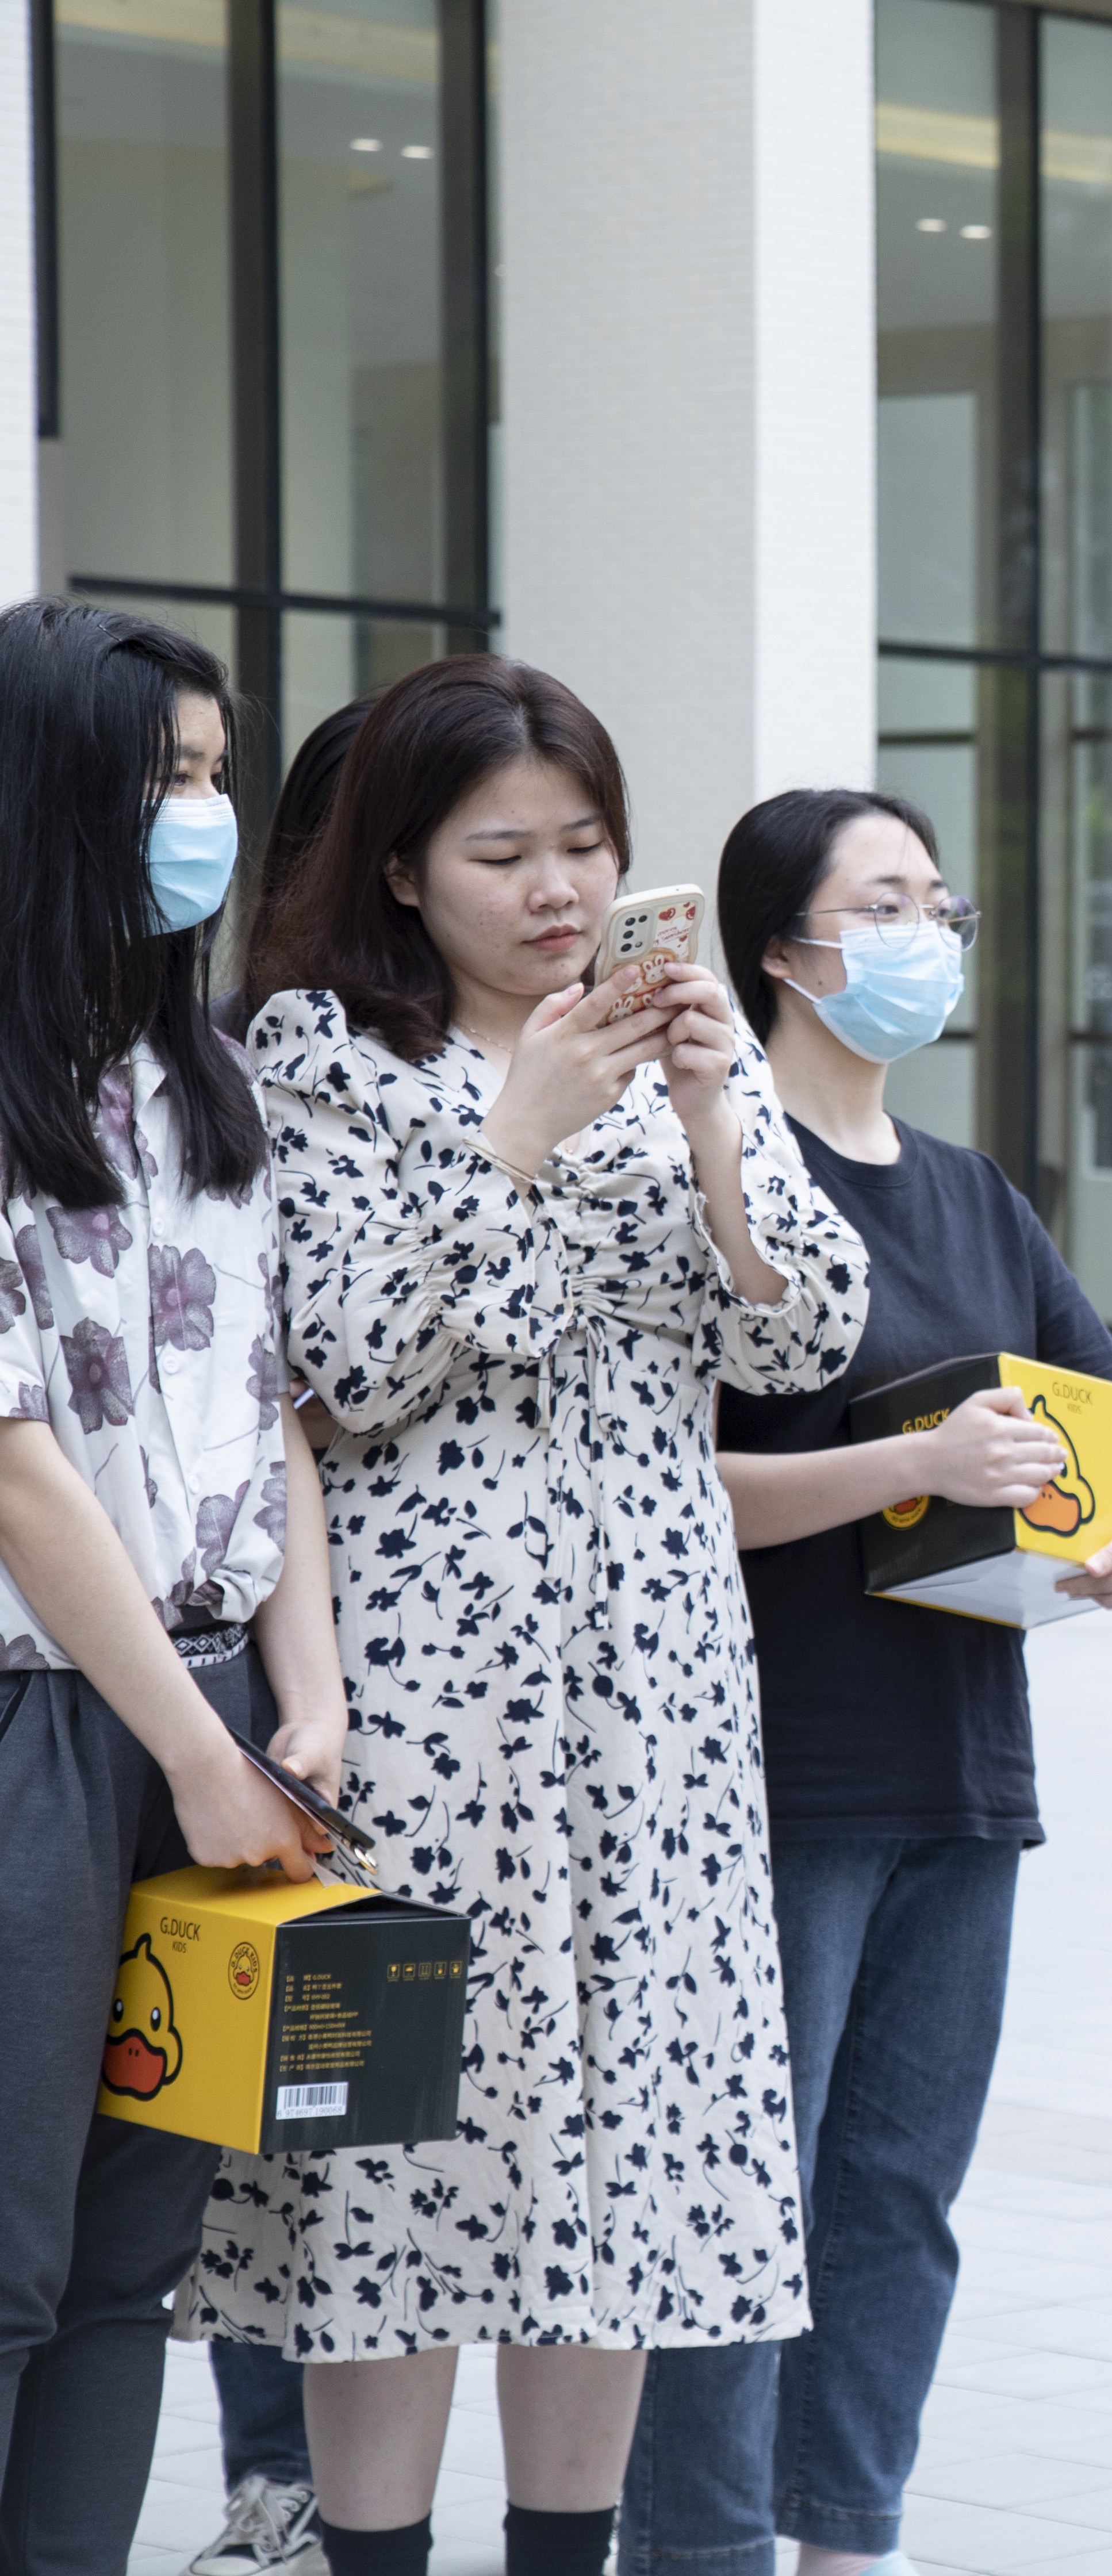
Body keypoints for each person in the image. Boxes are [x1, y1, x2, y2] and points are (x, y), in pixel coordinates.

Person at [188, 657, 871, 2576]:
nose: (559, 889)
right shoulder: (314, 1065)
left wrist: (713, 1111)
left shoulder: (675, 1056)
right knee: (394, 2176)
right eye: (504, 854)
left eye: (586, 844)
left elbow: (805, 1337)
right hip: (420, 1705)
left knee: (625, 2170)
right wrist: (523, 1135)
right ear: (403, 868)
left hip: (659, 1698)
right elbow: (349, 1365)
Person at [616, 789, 1112, 2576]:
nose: (928, 936)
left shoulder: (969, 1194)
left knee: (897, 2198)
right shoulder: (706, 1170)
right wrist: (911, 1468)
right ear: (780, 950)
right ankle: (702, 2548)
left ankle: (844, 2539)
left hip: (962, 1767)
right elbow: (654, 1483)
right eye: (883, 904)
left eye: (938, 903)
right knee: (748, 2200)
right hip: (774, 1773)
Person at [0, 597, 347, 2576]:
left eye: (215, 776)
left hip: (212, 1707)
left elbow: (268, 1403)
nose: (202, 818)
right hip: (46, 1715)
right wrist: (202, 1755)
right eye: (163, 783)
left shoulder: (200, 1071)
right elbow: (16, 1465)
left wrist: (306, 1694)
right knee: (11, 2254)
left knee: (133, 2260)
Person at [189, 690, 373, 2576]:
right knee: (267, 2106)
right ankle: (275, 2479)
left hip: (317, 1669)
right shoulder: (252, 1067)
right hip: (246, 1656)